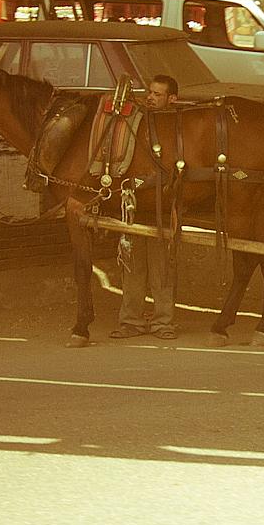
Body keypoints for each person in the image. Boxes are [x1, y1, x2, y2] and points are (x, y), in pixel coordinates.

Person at [111, 74, 180, 339]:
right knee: (132, 266)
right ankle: (131, 321)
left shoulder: (175, 126)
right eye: (150, 92)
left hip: (161, 207)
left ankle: (164, 322)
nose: (151, 97)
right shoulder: (136, 120)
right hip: (135, 205)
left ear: (171, 99)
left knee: (161, 268)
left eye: (158, 94)